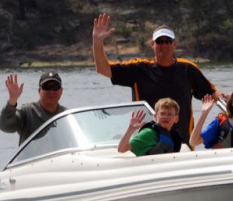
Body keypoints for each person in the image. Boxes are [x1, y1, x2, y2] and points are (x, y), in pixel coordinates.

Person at [92, 13, 222, 143]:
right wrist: (97, 41)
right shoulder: (138, 69)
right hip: (146, 144)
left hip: (182, 144)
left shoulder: (188, 69)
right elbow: (103, 69)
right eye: (160, 41)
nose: (164, 45)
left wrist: (231, 104)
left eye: (168, 41)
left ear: (174, 44)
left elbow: (212, 94)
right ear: (152, 44)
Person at [0, 71, 67, 146]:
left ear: (61, 91)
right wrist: (12, 100)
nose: (51, 91)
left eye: (55, 87)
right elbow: (5, 126)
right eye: (46, 87)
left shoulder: (67, 116)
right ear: (39, 91)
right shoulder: (27, 112)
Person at [118, 98, 184, 156]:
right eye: (162, 113)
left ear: (176, 119)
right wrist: (131, 129)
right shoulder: (148, 133)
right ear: (155, 116)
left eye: (170, 114)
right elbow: (121, 149)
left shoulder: (174, 136)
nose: (165, 117)